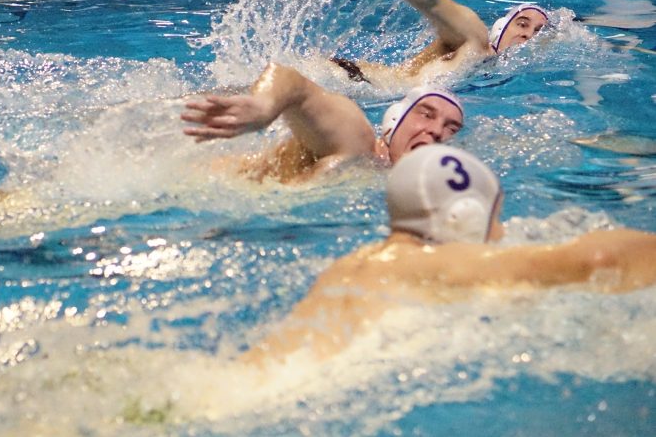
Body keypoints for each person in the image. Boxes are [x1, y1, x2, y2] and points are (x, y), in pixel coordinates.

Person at [241, 144, 656, 364]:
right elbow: (603, 260)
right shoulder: (430, 263)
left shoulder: (350, 267)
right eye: (497, 218)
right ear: (465, 216)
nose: (503, 232)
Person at [317, 0, 550, 88]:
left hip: (357, 86)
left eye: (538, 31)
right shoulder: (476, 41)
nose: (528, 35)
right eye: (522, 24)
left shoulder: (491, 70)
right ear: (500, 28)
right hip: (347, 79)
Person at [181, 63, 463, 182]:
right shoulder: (357, 139)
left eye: (451, 128)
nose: (437, 131)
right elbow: (289, 79)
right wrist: (263, 107)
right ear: (393, 121)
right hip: (196, 181)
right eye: (425, 114)